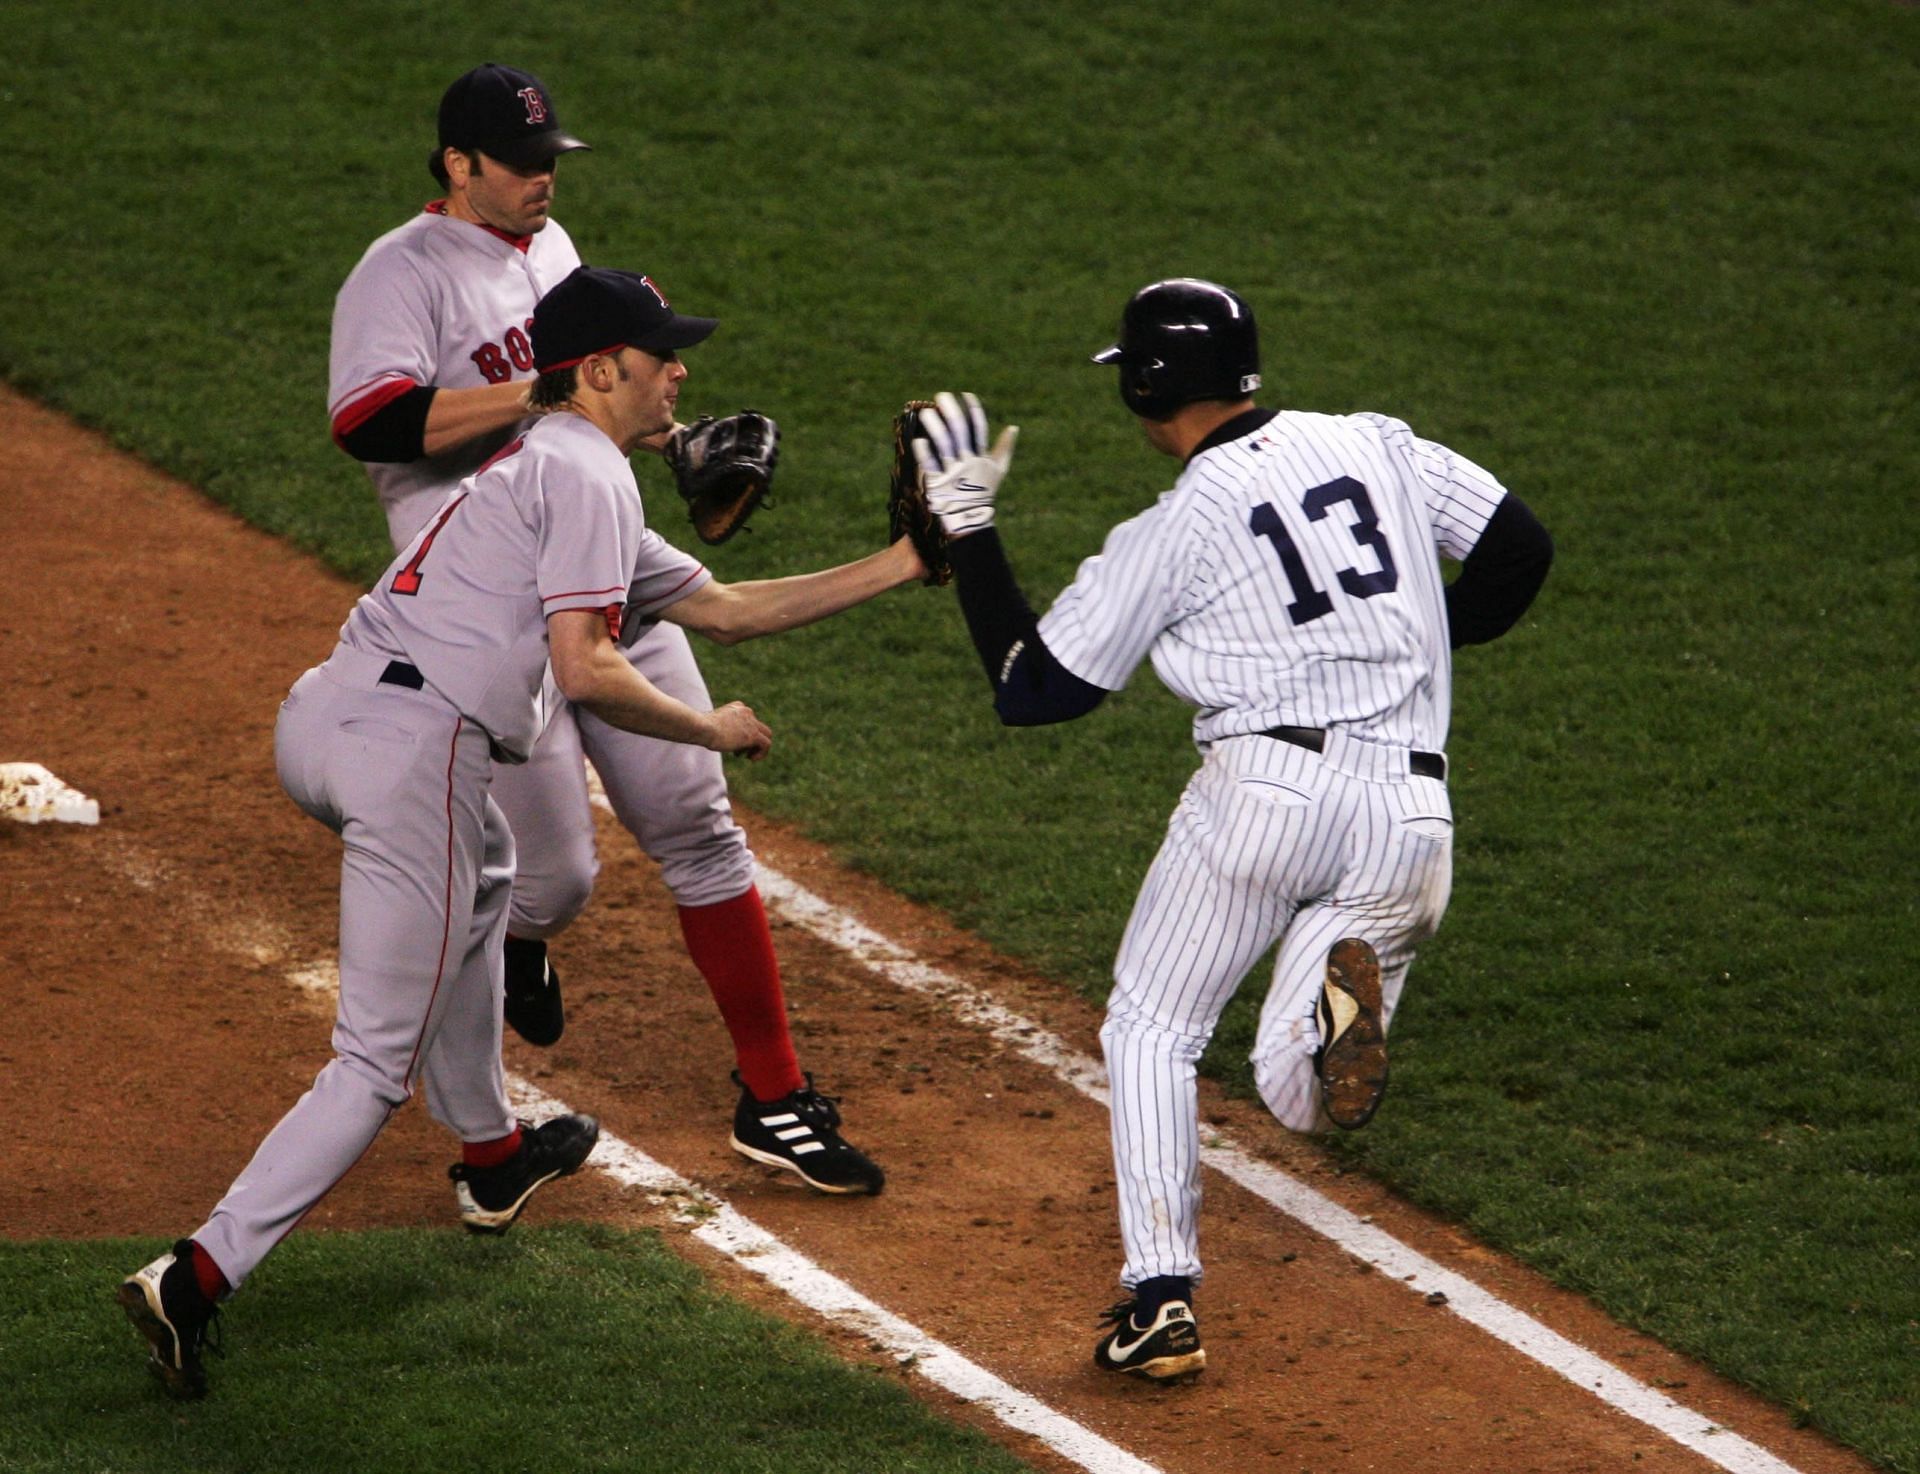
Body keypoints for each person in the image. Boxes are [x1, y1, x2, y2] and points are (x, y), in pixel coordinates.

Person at [121, 266, 930, 1400]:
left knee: (490, 883)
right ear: (601, 370)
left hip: (326, 719)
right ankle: (194, 1276)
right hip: (417, 755)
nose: (680, 372)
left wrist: (905, 564)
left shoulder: (550, 460)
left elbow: (728, 608)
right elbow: (587, 665)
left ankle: (495, 1158)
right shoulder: (590, 474)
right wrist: (707, 726)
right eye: (660, 355)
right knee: (369, 1063)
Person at [911, 279, 1553, 1381]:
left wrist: (968, 527)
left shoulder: (1178, 524)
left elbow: (1036, 692)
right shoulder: (1375, 441)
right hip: (1412, 813)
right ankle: (1329, 1025)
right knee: (1292, 1088)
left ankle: (1160, 1296)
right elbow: (1519, 552)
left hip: (1267, 794)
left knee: (1153, 1025)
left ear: (1148, 392)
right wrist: (1405, 643)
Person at [327, 62, 886, 1197]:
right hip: (489, 608)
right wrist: (533, 396)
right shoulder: (399, 272)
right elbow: (370, 420)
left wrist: (674, 448)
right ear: (458, 165)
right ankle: (518, 958)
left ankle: (774, 1097)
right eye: (520, 164)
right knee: (555, 878)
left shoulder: (553, 244)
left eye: (549, 161)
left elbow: (593, 392)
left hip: (603, 557)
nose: (541, 179)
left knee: (695, 819)